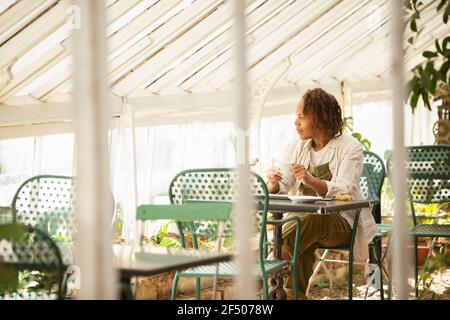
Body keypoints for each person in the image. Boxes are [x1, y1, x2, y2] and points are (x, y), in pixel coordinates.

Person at [266, 88, 376, 299]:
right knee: (301, 235)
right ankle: (289, 293)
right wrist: (273, 184)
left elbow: (345, 189)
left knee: (307, 221)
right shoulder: (294, 148)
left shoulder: (350, 148)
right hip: (305, 224)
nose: (295, 122)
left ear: (319, 117)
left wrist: (309, 179)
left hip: (343, 223)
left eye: (301, 117)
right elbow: (284, 188)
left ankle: (274, 262)